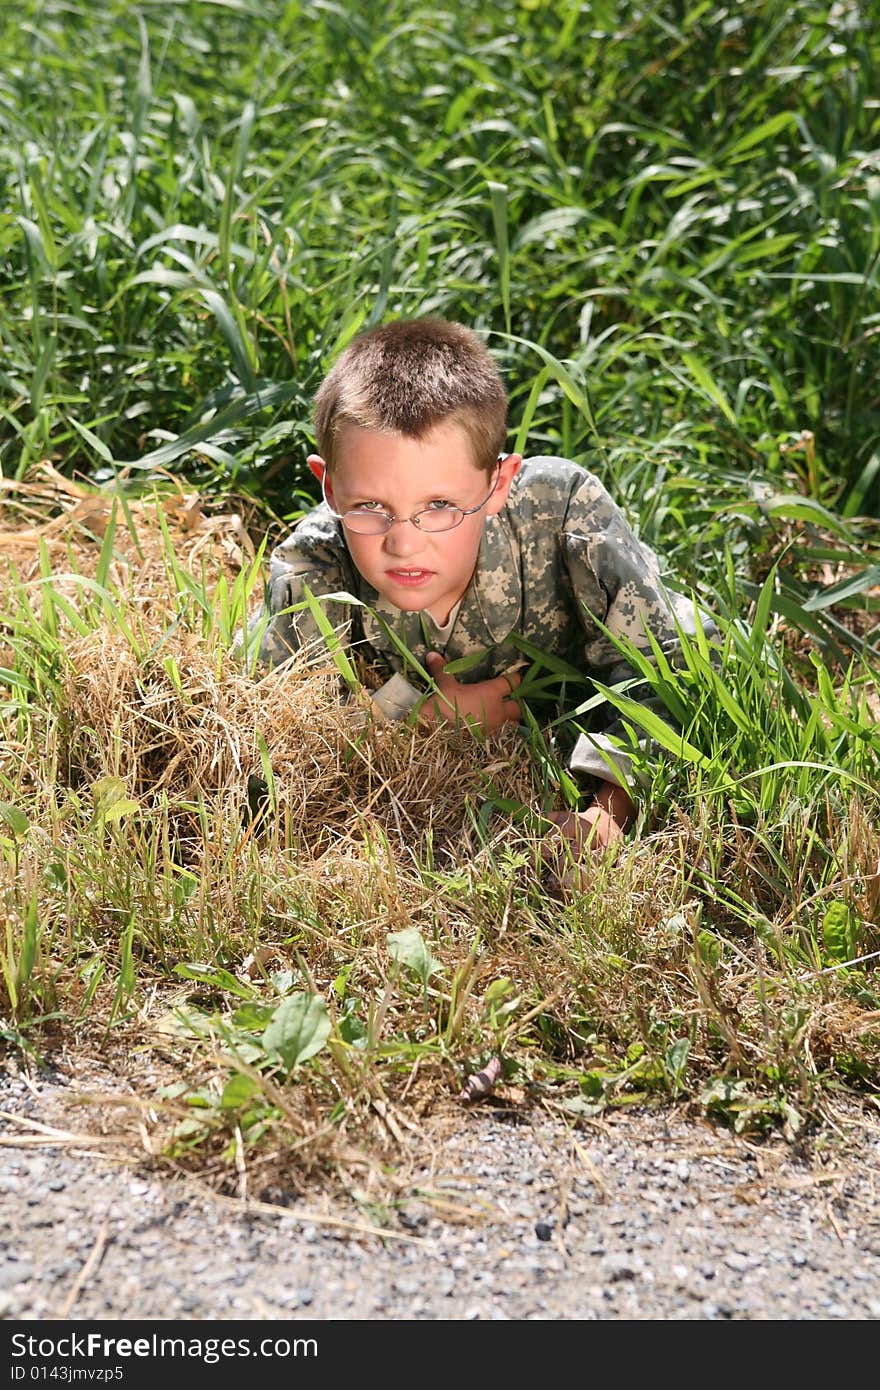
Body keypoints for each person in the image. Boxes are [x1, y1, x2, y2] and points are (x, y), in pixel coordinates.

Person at [240, 316, 703, 872]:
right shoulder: (313, 566)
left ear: (498, 484)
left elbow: (664, 671)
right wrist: (428, 719)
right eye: (369, 507)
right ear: (329, 485)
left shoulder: (563, 512)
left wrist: (606, 812)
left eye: (439, 506)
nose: (403, 544)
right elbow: (288, 725)